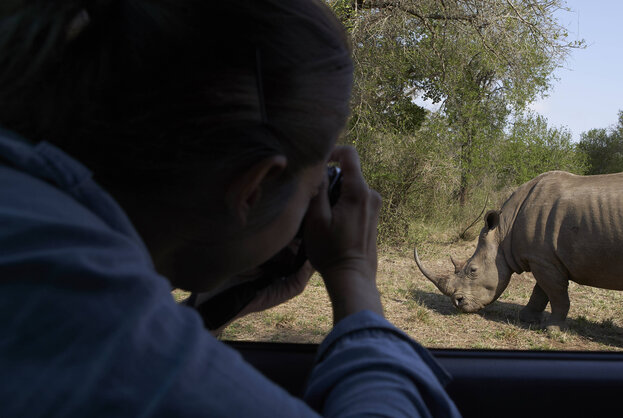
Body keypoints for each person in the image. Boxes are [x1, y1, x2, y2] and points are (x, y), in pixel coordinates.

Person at [0, 0, 461, 416]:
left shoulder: (36, 231)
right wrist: (354, 277)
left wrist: (215, 301)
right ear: (253, 188)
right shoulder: (99, 333)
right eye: (318, 183)